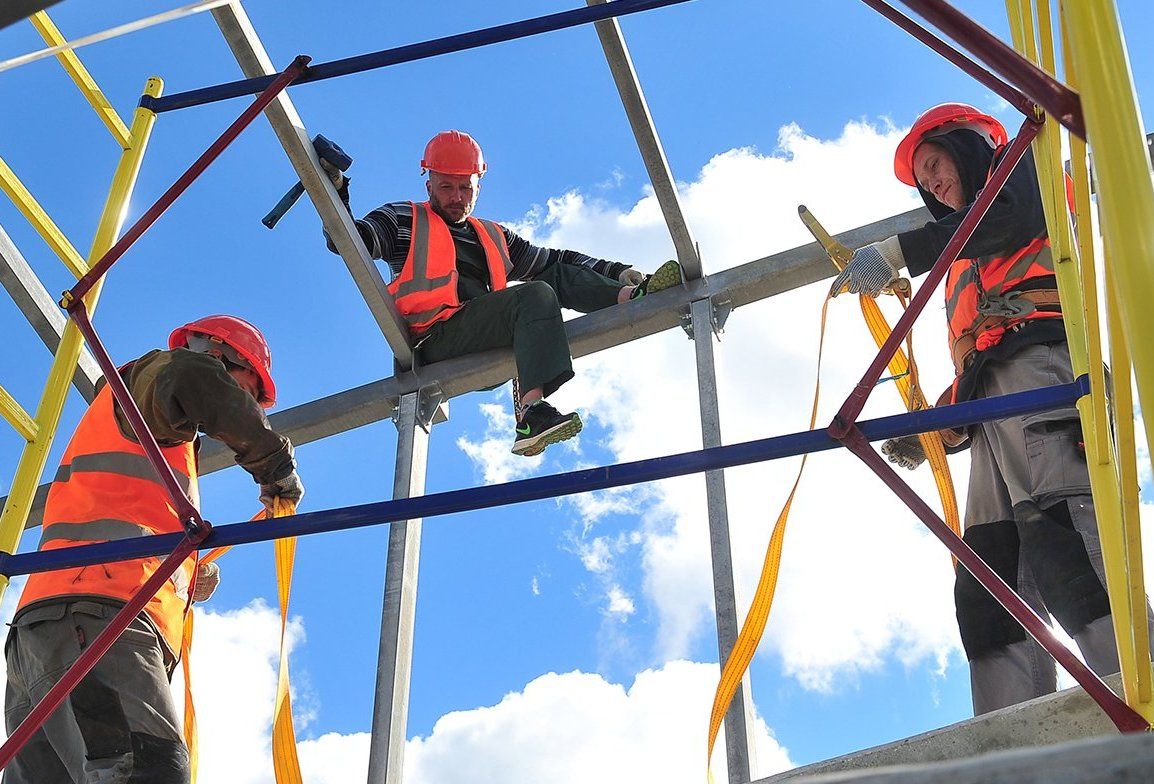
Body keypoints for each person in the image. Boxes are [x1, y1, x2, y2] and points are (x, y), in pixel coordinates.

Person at [831, 102, 1150, 715]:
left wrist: (898, 253)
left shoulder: (1025, 169)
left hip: (1044, 379)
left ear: (968, 144)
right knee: (989, 580)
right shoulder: (964, 256)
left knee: (1066, 542)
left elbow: (1015, 277)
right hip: (993, 418)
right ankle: (1010, 736)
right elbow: (981, 356)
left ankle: (1141, 693)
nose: (930, 182)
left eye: (932, 163)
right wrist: (935, 428)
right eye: (922, 179)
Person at [4, 315, 304, 783]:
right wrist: (275, 467)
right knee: (149, 771)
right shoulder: (158, 377)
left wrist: (183, 576)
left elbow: (121, 522)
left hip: (45, 632)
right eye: (247, 390)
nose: (246, 405)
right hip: (99, 619)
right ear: (223, 358)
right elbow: (191, 377)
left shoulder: (139, 424)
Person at [325, 130, 682, 456]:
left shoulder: (493, 235)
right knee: (535, 294)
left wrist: (618, 272)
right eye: (446, 187)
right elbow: (349, 243)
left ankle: (632, 298)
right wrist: (334, 189)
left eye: (465, 188)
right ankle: (531, 414)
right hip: (433, 339)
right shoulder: (402, 218)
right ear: (428, 183)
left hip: (484, 336)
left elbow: (556, 260)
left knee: (551, 275)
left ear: (478, 186)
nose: (456, 197)